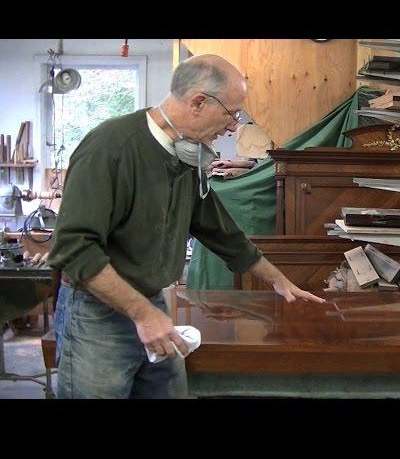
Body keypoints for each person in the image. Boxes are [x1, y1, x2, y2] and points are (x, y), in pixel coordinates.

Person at [48, 54, 325, 399]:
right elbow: (74, 249)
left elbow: (221, 232)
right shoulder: (111, 148)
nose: (231, 126)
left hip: (151, 304)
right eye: (231, 113)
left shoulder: (187, 155)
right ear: (198, 102)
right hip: (96, 315)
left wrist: (280, 281)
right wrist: (143, 314)